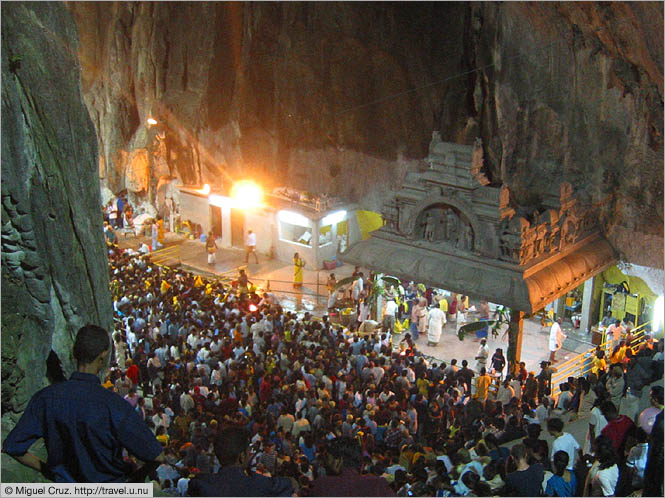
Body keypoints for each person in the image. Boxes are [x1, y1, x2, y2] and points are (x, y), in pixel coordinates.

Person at [3, 325, 164, 482]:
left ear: (75, 353)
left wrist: (50, 472)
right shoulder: (114, 405)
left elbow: (13, 447)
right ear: (102, 357)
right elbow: (156, 456)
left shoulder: (46, 398)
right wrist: (136, 478)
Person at [187, 426, 293, 496]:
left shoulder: (201, 484)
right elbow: (288, 485)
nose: (250, 454)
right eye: (248, 452)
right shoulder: (260, 484)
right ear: (241, 457)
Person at [307, 436, 395, 496]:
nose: (324, 464)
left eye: (327, 458)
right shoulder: (378, 485)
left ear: (338, 461)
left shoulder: (322, 486)